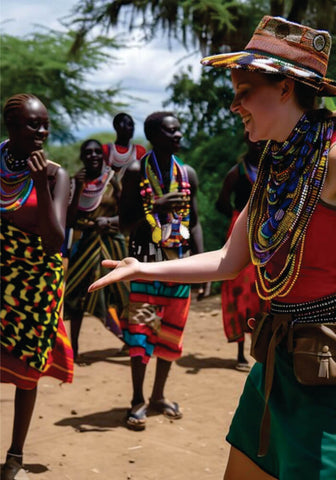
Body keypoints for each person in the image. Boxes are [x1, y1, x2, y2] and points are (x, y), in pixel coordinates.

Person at [88, 16, 336, 480]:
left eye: (243, 92)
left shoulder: (333, 159)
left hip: (325, 370)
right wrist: (142, 267)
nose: (233, 105)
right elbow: (229, 260)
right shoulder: (275, 170)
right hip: (278, 361)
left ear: (285, 88)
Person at [107, 111, 208, 431]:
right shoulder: (136, 171)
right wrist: (156, 207)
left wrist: (202, 265)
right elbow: (123, 225)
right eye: (170, 132)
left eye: (179, 130)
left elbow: (194, 222)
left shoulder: (187, 172)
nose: (178, 136)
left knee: (171, 334)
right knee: (140, 335)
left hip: (178, 265)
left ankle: (158, 395)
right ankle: (137, 400)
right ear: (153, 137)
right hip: (144, 265)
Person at [0, 93, 73, 479]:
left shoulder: (55, 174)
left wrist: (39, 185)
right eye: (33, 124)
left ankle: (14, 456)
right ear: (12, 127)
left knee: (27, 367)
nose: (43, 131)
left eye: (45, 123)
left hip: (36, 286)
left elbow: (54, 240)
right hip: (0, 278)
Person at [64, 139, 130, 362]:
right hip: (84, 245)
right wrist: (78, 187)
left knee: (121, 293)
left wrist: (109, 220)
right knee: (77, 297)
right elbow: (69, 221)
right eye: (87, 152)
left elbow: (129, 216)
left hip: (111, 243)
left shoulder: (114, 180)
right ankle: (73, 349)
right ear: (82, 157)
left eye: (96, 152)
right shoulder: (75, 182)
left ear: (102, 156)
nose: (92, 156)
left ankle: (133, 340)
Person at [216, 137, 266, 371]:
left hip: (268, 233)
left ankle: (261, 346)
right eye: (254, 140)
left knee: (263, 290)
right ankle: (239, 352)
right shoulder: (237, 172)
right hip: (243, 230)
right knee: (239, 288)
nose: (259, 143)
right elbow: (222, 202)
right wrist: (239, 220)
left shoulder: (277, 167)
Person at [102, 112, 146, 182]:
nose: (132, 128)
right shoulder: (106, 149)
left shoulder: (139, 151)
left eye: (133, 125)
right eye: (129, 124)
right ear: (117, 126)